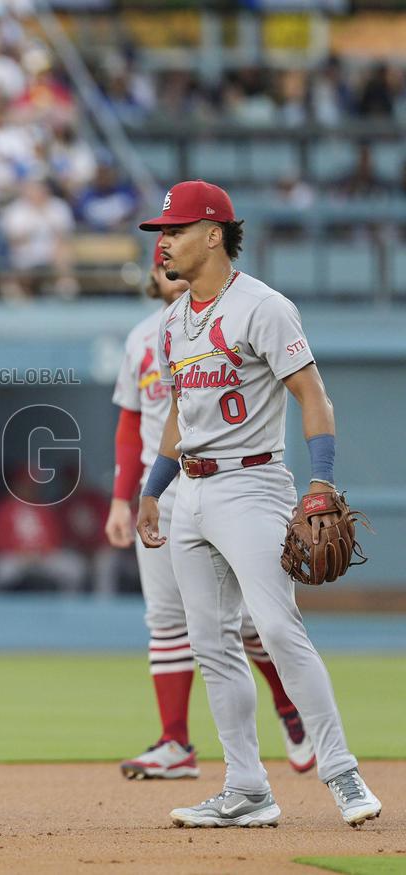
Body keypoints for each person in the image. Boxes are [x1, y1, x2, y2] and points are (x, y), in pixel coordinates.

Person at [135, 180, 382, 828]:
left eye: (176, 230)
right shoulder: (172, 322)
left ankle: (342, 772)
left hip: (252, 484)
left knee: (276, 627)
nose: (164, 243)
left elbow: (313, 394)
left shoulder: (263, 307)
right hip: (190, 489)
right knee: (211, 644)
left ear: (214, 234)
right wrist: (153, 490)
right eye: (162, 232)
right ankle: (246, 787)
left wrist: (321, 482)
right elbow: (179, 416)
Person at [106, 240, 316, 780]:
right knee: (165, 618)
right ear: (152, 277)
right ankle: (175, 743)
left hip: (228, 480)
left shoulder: (236, 316)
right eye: (158, 264)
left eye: (172, 255)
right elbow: (131, 425)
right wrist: (124, 499)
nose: (167, 267)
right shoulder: (144, 337)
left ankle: (291, 709)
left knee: (246, 621)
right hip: (162, 489)